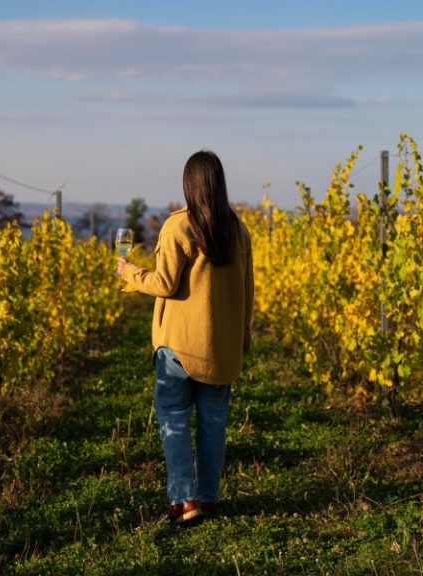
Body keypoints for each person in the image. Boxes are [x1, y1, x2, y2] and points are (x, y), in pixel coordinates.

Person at [117, 150, 254, 525]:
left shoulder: (178, 226)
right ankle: (208, 499)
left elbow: (164, 283)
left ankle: (184, 500)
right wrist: (242, 340)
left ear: (189, 185)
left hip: (178, 346)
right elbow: (248, 292)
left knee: (175, 420)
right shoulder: (239, 230)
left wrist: (129, 273)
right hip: (221, 349)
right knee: (213, 424)